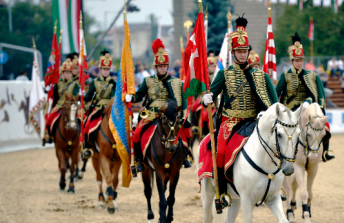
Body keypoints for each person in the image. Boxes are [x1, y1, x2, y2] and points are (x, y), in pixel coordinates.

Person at [202, 15, 278, 207]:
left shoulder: (260, 75)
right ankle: (221, 193)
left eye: (245, 51)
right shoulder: (224, 73)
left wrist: (266, 114)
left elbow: (274, 104)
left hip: (254, 120)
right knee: (219, 152)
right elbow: (211, 95)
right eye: (239, 51)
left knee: (276, 143)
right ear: (233, 52)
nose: (243, 54)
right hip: (231, 122)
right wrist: (206, 98)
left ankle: (277, 186)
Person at [125, 39, 192, 172]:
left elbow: (183, 102)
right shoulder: (147, 81)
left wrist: (183, 117)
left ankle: (185, 156)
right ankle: (139, 160)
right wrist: (130, 97)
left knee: (187, 131)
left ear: (168, 67)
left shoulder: (176, 82)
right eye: (160, 66)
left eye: (165, 66)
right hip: (150, 115)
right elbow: (139, 96)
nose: (162, 68)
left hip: (169, 116)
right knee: (137, 133)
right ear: (156, 67)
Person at [276, 32, 334, 162]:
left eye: (301, 60)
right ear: (292, 61)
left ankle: (325, 152)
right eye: (297, 60)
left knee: (326, 126)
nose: (299, 62)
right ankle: (279, 155)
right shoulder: (285, 75)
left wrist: (308, 102)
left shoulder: (312, 76)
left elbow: (318, 95)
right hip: (289, 111)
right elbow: (277, 92)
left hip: (306, 110)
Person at [82, 50, 116, 159]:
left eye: (107, 69)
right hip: (97, 108)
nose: (106, 71)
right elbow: (88, 97)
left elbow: (113, 97)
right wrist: (83, 95)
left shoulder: (113, 83)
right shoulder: (94, 82)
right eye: (104, 69)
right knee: (87, 123)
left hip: (109, 108)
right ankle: (87, 147)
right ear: (100, 70)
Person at [44, 59, 79, 144]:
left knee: (82, 118)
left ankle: (82, 137)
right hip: (59, 105)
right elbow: (53, 93)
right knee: (49, 119)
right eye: (66, 73)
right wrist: (48, 89)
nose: (68, 74)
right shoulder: (58, 83)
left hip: (71, 106)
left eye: (69, 73)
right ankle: (50, 135)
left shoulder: (75, 84)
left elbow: (76, 95)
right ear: (62, 73)